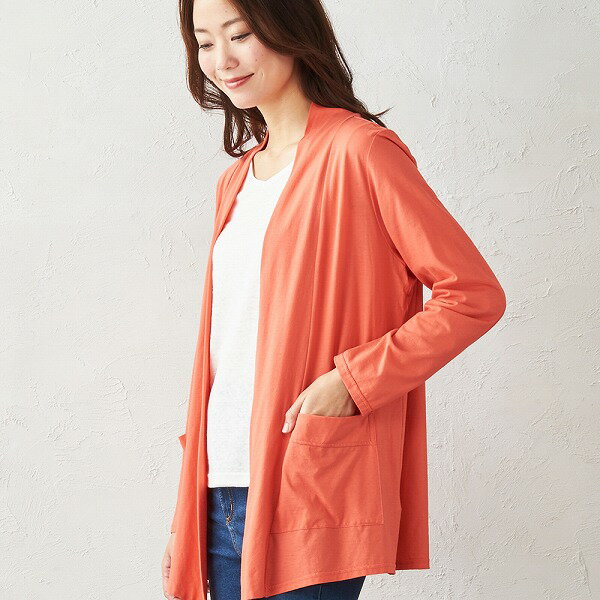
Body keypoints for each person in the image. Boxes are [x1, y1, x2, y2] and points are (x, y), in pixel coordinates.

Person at [162, 1, 507, 599]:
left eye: (240, 34)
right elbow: (227, 350)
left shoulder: (360, 151)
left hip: (309, 481)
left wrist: (354, 380)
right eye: (206, 42)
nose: (223, 60)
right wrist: (185, 513)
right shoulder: (235, 181)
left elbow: (472, 295)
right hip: (218, 490)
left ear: (288, 29)